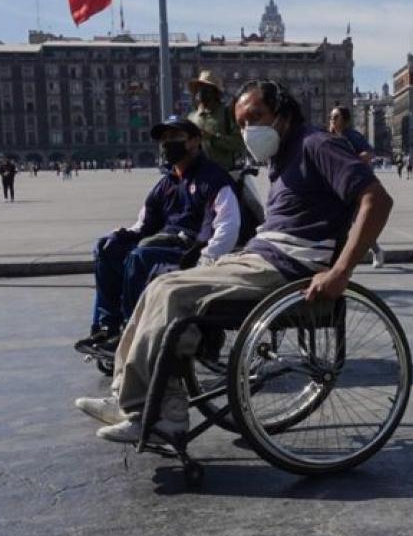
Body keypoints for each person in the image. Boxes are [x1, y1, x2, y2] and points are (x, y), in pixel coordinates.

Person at [73, 80, 393, 443]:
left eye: (256, 117)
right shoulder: (283, 155)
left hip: (289, 266)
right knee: (160, 283)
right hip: (262, 255)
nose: (247, 130)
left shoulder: (317, 144)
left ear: (283, 114)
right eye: (240, 123)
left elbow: (377, 200)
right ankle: (131, 397)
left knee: (174, 291)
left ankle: (155, 410)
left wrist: (340, 271)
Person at [73, 115, 242, 356]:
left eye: (175, 137)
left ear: (194, 141)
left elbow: (228, 225)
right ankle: (107, 326)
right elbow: (144, 224)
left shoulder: (213, 178)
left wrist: (208, 257)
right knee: (106, 248)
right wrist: (121, 235)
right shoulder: (166, 184)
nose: (167, 144)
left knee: (140, 257)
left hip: (191, 251)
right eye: (163, 139)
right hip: (162, 245)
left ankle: (132, 334)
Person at [187, 69, 265, 225]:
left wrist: (213, 138)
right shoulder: (192, 117)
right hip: (198, 177)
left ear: (215, 92)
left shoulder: (227, 113)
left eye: (206, 89)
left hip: (225, 175)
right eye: (199, 89)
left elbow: (239, 143)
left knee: (245, 211)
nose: (201, 93)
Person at [329, 105, 386, 268]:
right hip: (335, 185)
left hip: (353, 185)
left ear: (345, 120)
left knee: (355, 221)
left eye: (336, 117)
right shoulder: (329, 137)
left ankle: (374, 251)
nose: (332, 120)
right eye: (331, 117)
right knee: (340, 222)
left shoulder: (353, 136)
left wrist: (350, 162)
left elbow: (369, 153)